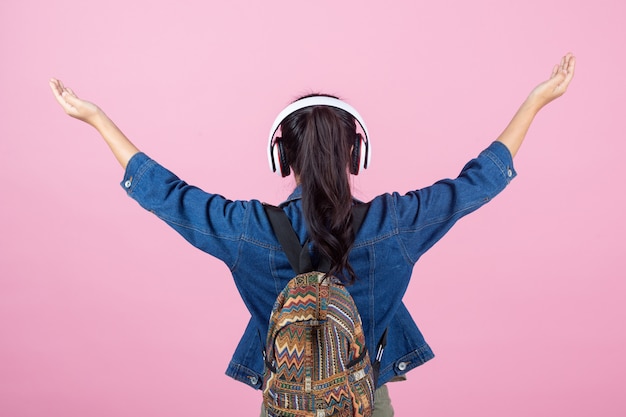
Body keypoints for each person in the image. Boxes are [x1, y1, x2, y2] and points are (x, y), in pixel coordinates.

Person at [50, 53, 576, 416]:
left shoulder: (246, 229)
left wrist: (98, 120)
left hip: (285, 404)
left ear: (283, 157)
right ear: (356, 153)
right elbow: (474, 184)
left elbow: (169, 194)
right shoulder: (395, 224)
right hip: (365, 399)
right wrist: (535, 102)